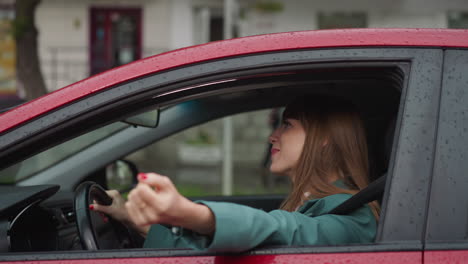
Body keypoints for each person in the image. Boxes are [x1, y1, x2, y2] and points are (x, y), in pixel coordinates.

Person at [91, 95, 379, 252]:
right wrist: (130, 217)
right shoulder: (310, 203)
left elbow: (284, 229)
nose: (272, 137)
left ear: (324, 137)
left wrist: (190, 213)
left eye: (287, 125)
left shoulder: (355, 218)